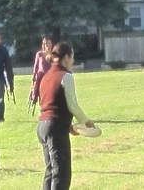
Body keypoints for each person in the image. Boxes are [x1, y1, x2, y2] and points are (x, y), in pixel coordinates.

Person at [37, 42, 95, 190]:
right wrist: (86, 122)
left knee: (50, 171)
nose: (73, 61)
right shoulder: (66, 77)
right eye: (72, 57)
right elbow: (72, 105)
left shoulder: (46, 76)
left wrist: (68, 126)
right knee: (61, 173)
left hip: (43, 126)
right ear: (66, 57)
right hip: (55, 127)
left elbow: (49, 103)